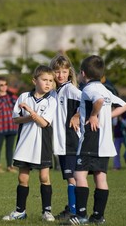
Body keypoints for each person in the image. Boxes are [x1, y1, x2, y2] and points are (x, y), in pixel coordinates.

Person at [65, 55, 126, 225]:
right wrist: (105, 116)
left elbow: (98, 101)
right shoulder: (106, 89)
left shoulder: (89, 89)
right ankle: (98, 216)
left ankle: (81, 216)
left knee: (79, 175)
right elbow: (124, 105)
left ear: (83, 73)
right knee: (100, 177)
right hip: (105, 143)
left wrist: (93, 115)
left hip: (91, 140)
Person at [2, 65, 57, 222]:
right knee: (23, 179)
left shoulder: (51, 100)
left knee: (44, 177)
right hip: (25, 142)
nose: (48, 83)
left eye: (51, 81)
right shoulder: (24, 96)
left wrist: (30, 111)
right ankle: (20, 211)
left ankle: (47, 211)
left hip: (42, 143)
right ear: (34, 80)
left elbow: (44, 123)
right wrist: (28, 115)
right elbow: (16, 119)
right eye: (44, 80)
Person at [49, 55, 81, 221]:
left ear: (69, 73)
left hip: (71, 141)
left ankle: (74, 212)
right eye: (57, 71)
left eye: (64, 71)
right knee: (70, 177)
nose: (60, 75)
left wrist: (76, 114)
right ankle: (72, 207)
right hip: (61, 142)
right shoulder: (55, 92)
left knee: (71, 177)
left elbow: (89, 101)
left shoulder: (71, 90)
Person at [0, 76, 19, 173]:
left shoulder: (12, 97)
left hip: (11, 126)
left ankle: (10, 166)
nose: (3, 87)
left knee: (10, 148)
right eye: (1, 85)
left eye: (5, 84)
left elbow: (18, 111)